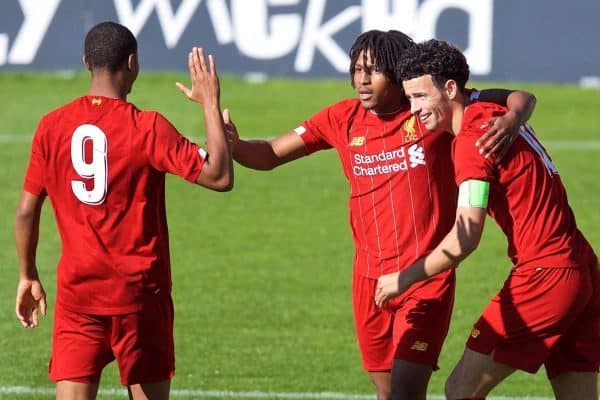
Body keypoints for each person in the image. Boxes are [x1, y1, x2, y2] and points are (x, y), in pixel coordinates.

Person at [223, 30, 536, 400]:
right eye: (356, 70)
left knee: (405, 390)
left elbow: (520, 97)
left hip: (425, 277)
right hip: (370, 281)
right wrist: (236, 145)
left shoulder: (429, 111)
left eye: (372, 70)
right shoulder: (342, 118)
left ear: (399, 75)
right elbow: (272, 153)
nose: (361, 80)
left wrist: (513, 118)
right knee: (387, 393)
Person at [14, 21, 233, 400]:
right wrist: (210, 103)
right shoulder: (147, 128)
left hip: (78, 296)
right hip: (139, 296)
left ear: (86, 62)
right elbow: (219, 175)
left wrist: (27, 274)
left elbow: (24, 212)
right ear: (132, 63)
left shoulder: (51, 127)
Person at [374, 38, 599, 400]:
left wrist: (403, 279)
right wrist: (514, 115)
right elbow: (523, 97)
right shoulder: (487, 105)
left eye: (419, 97)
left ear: (450, 88)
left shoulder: (472, 142)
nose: (413, 109)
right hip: (582, 268)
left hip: (545, 276)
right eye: (409, 98)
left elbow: (465, 238)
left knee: (460, 390)